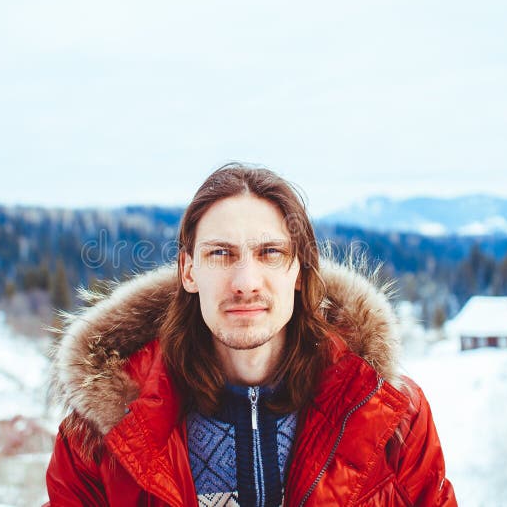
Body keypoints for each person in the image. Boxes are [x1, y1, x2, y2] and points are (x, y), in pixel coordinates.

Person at [45, 164, 457, 506]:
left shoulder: (391, 416)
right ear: (189, 271)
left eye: (270, 253)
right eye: (220, 253)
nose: (245, 282)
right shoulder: (101, 437)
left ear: (300, 271)